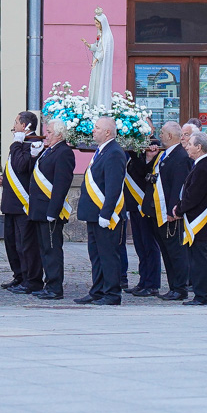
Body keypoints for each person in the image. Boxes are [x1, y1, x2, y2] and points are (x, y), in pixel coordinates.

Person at [75, 116, 126, 305]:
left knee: (108, 255)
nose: (93, 130)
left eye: (96, 128)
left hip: (105, 215)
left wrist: (106, 214)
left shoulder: (114, 152)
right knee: (96, 255)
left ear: (107, 132)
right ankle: (97, 290)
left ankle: (112, 294)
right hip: (94, 214)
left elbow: (113, 187)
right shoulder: (102, 151)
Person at [142, 121, 192, 301]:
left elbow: (179, 186)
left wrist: (173, 210)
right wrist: (149, 158)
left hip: (170, 213)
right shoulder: (165, 155)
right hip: (157, 210)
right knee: (167, 251)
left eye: (162, 133)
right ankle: (173, 287)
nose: (160, 136)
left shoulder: (180, 156)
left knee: (176, 252)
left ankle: (180, 288)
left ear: (170, 136)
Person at [27, 118, 76, 300]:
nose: (45, 135)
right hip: (40, 209)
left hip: (50, 211)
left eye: (48, 131)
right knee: (44, 249)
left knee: (52, 250)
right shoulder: (50, 151)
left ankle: (55, 288)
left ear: (58, 134)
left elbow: (61, 185)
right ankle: (48, 285)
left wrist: (52, 212)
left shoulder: (64, 152)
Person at [0, 111, 44, 295]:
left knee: (26, 244)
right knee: (12, 243)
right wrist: (3, 178)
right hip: (11, 202)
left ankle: (31, 279)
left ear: (24, 126)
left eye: (16, 122)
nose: (14, 125)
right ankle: (19, 276)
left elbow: (21, 166)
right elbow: (14, 169)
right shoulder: (21, 143)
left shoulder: (34, 143)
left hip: (24, 202)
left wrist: (16, 143)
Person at [174, 132, 207, 305]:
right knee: (204, 259)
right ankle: (205, 294)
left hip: (200, 221)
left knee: (200, 260)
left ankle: (203, 296)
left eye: (190, 144)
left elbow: (194, 195)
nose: (186, 146)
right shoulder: (206, 164)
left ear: (199, 147)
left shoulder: (203, 166)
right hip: (202, 221)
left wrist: (179, 209)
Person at [123, 138, 161, 298]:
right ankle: (143, 281)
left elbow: (145, 173)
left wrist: (149, 157)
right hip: (134, 206)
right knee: (140, 247)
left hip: (145, 206)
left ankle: (152, 284)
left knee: (149, 246)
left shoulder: (153, 145)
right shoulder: (133, 151)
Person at [82, 7, 114, 110]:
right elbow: (97, 47)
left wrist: (96, 60)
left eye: (97, 23)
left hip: (101, 64)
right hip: (96, 63)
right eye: (95, 23)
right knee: (95, 83)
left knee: (100, 82)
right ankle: (94, 104)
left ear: (102, 24)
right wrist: (87, 44)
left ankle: (101, 105)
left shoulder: (107, 37)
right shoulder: (99, 34)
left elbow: (104, 52)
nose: (96, 26)